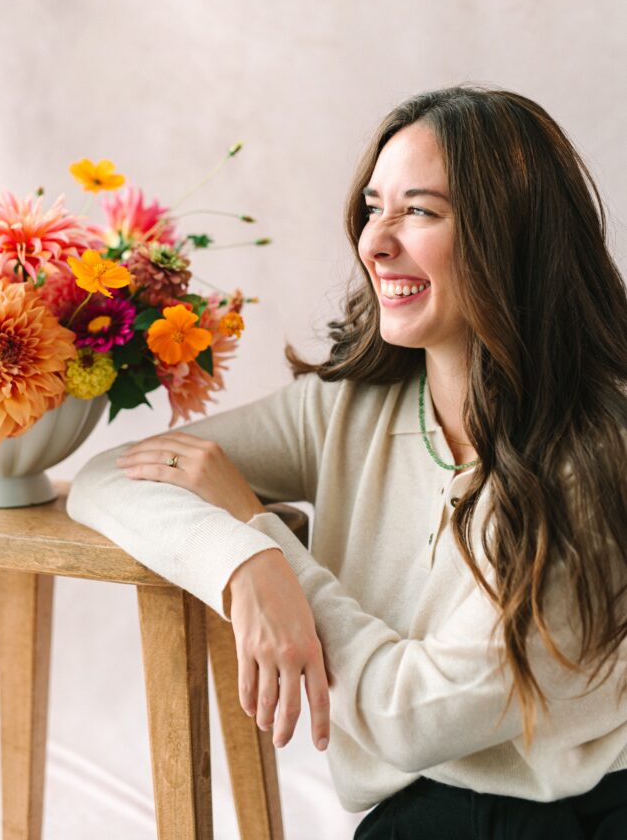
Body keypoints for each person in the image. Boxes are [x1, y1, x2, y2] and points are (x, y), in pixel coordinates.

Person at [67, 86, 627, 838]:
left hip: (579, 816)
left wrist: (270, 538)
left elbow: (413, 717)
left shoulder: (593, 456)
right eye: (372, 208)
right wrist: (246, 564)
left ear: (510, 234)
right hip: (418, 811)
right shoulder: (346, 413)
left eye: (419, 211)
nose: (374, 242)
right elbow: (111, 478)